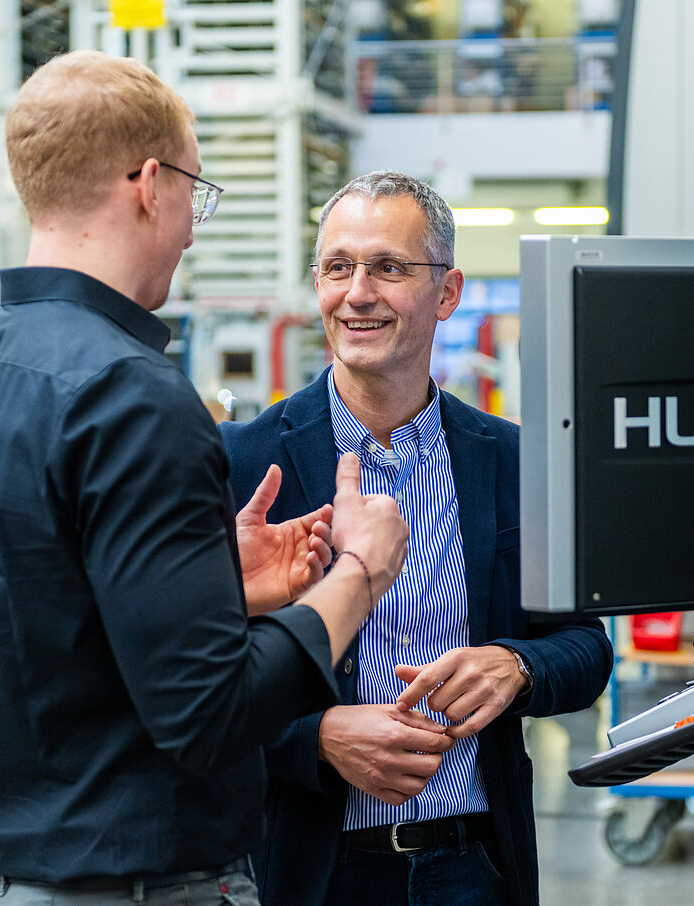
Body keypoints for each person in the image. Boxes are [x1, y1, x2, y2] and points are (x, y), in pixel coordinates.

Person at [0, 52, 408, 906]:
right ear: (148, 184)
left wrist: (210, 588)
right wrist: (359, 575)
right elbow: (209, 715)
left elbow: (53, 628)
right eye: (192, 192)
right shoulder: (132, 395)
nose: (190, 229)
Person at [220, 171, 614, 906]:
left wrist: (517, 666)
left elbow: (587, 648)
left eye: (388, 267)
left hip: (473, 865)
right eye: (338, 267)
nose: (358, 293)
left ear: (447, 292)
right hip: (309, 871)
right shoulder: (244, 465)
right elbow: (185, 689)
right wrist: (315, 737)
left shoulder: (513, 461)